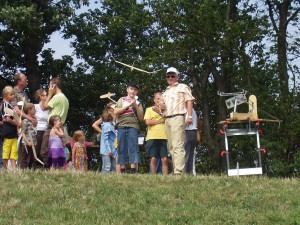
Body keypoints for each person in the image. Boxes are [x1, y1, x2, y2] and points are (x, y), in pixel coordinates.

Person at [160, 67, 195, 175]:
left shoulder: (183, 87)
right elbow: (163, 108)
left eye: (172, 76)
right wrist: (161, 108)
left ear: (177, 77)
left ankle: (179, 172)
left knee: (178, 145)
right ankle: (177, 170)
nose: (170, 78)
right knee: (171, 147)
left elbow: (189, 101)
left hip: (178, 117)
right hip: (167, 119)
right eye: (168, 76)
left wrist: (189, 116)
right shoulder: (166, 90)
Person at [114, 82, 143, 174]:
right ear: (127, 89)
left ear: (137, 92)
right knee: (121, 147)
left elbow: (141, 118)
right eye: (131, 89)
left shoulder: (138, 103)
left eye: (135, 90)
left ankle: (133, 170)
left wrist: (135, 106)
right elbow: (115, 112)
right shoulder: (121, 100)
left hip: (133, 126)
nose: (133, 91)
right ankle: (122, 170)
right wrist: (126, 106)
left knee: (133, 146)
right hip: (121, 125)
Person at [41, 78, 69, 167]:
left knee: (45, 148)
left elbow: (44, 107)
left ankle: (47, 166)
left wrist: (49, 94)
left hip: (53, 125)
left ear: (54, 86)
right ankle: (55, 167)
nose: (49, 88)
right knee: (57, 148)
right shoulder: (64, 98)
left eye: (50, 85)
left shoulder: (57, 97)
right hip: (60, 125)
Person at [144, 92, 168, 175]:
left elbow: (168, 120)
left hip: (164, 136)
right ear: (154, 100)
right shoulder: (149, 109)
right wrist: (160, 121)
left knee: (164, 159)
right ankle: (153, 177)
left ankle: (165, 177)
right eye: (158, 98)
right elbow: (147, 121)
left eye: (161, 99)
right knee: (153, 158)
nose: (159, 100)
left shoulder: (167, 110)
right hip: (152, 136)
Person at [1, 86, 23, 169]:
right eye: (11, 94)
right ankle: (5, 168)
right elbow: (7, 119)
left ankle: (14, 168)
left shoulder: (10, 106)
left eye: (14, 94)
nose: (13, 96)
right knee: (7, 150)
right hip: (7, 131)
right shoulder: (5, 105)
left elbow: (13, 117)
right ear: (5, 95)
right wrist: (17, 124)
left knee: (14, 150)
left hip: (13, 131)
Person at [33, 89, 49, 168]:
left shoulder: (48, 108)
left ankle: (44, 165)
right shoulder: (35, 107)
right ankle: (35, 165)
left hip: (46, 130)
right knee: (37, 148)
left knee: (45, 149)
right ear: (41, 96)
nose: (47, 96)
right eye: (45, 95)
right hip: (38, 130)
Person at [19, 103, 37, 169]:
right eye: (34, 109)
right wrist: (27, 142)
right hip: (26, 143)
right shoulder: (25, 121)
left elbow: (34, 132)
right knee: (25, 158)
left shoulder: (34, 121)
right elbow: (23, 133)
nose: (35, 110)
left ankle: (31, 169)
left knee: (32, 158)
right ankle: (23, 169)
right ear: (29, 110)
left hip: (33, 142)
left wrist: (35, 141)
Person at [184, 108, 199, 174]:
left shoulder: (187, 110)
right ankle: (189, 171)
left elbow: (184, 123)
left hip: (188, 131)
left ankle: (184, 171)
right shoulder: (193, 110)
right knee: (190, 153)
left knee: (186, 153)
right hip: (193, 132)